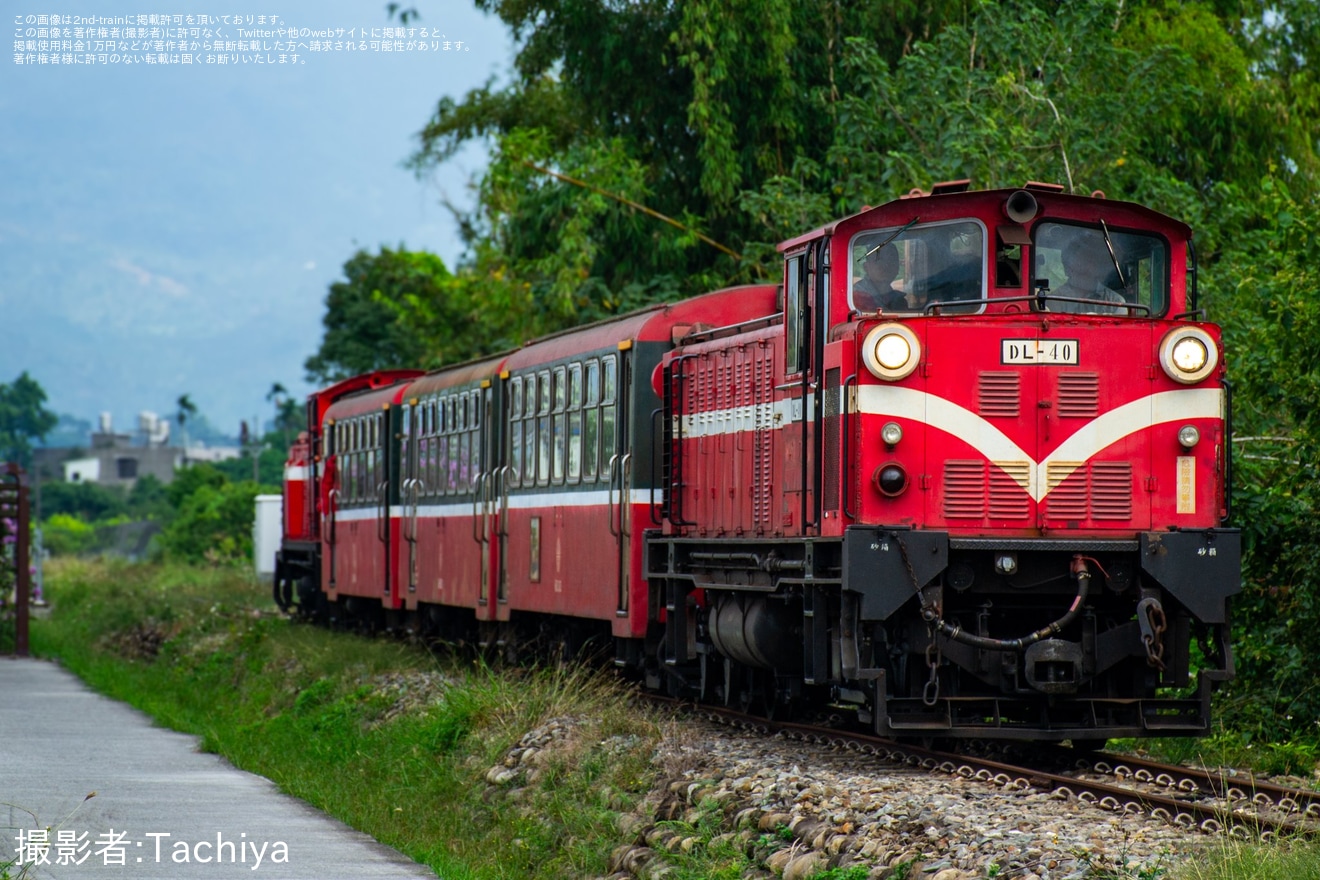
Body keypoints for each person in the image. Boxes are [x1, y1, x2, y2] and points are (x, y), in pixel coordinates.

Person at [1051, 242, 1127, 314]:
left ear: (1096, 267)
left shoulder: (1116, 302)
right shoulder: (1054, 300)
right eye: (1077, 263)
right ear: (1067, 269)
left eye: (1087, 262)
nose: (1082, 268)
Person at [853, 244, 907, 311]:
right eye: (879, 261)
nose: (886, 266)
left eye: (892, 261)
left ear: (898, 267)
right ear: (866, 267)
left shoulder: (899, 301)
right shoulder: (858, 297)